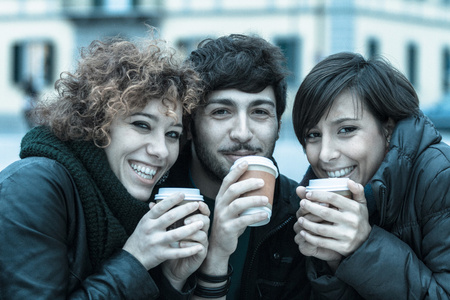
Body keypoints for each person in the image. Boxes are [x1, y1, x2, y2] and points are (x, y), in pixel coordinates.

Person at [0, 35, 211, 299]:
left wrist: (172, 279)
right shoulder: (33, 187)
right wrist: (135, 259)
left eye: (172, 134)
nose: (160, 150)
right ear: (98, 123)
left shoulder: (130, 204)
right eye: (141, 125)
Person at [153, 34, 310, 300]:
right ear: (189, 126)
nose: (242, 133)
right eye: (221, 112)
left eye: (260, 112)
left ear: (278, 126)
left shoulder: (296, 214)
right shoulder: (150, 202)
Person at [292, 52, 450, 299]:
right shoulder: (313, 197)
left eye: (346, 129)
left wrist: (363, 246)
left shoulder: (440, 176)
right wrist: (335, 261)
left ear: (387, 128)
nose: (325, 155)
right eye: (313, 135)